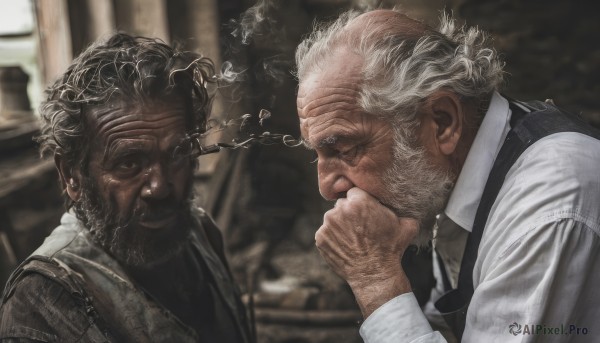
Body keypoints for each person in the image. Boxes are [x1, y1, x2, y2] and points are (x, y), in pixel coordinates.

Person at [295, 9, 600, 343]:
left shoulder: (548, 205)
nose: (326, 186)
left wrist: (375, 279)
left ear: (442, 122)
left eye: (345, 149)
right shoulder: (459, 175)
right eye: (319, 154)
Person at [0, 33, 251, 342]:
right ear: (72, 175)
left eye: (176, 154)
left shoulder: (200, 235)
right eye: (129, 163)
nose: (159, 187)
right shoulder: (42, 301)